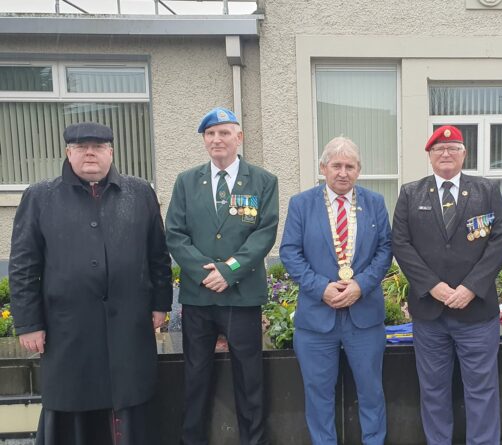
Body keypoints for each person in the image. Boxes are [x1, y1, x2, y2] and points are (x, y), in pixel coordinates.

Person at [9, 122, 173, 444]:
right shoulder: (40, 196)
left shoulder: (139, 193)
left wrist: (160, 303)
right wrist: (28, 322)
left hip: (128, 324)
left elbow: (158, 254)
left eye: (98, 147)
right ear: (68, 152)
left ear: (111, 151)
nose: (90, 153)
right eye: (81, 147)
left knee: (129, 398)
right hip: (68, 329)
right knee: (73, 400)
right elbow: (24, 265)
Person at [166, 107, 279, 445]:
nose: (217, 139)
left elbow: (264, 233)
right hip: (199, 297)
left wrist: (229, 271)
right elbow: (175, 233)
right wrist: (206, 273)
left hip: (242, 298)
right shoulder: (187, 181)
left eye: (224, 133)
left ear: (238, 138)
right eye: (210, 134)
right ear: (204, 140)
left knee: (249, 380)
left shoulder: (263, 180)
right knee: (196, 378)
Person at [392, 125, 502, 445]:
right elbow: (401, 244)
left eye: (453, 148)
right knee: (433, 390)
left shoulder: (487, 191)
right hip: (430, 314)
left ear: (464, 154)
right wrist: (432, 286)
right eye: (439, 150)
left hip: (477, 313)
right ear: (429, 156)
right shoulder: (410, 193)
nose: (446, 154)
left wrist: (471, 287)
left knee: (482, 390)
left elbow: (499, 242)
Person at [279, 136, 392, 445]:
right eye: (336, 166)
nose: (343, 173)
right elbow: (289, 252)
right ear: (323, 168)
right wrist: (321, 288)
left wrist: (361, 285)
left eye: (350, 166)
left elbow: (385, 251)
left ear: (359, 170)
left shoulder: (375, 203)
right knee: (318, 395)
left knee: (371, 392)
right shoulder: (301, 204)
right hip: (317, 320)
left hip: (364, 318)